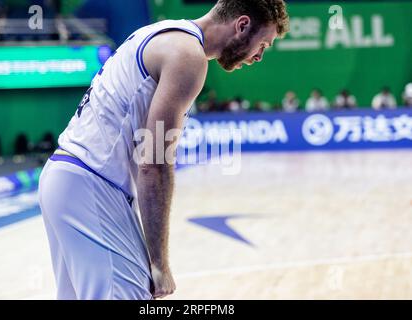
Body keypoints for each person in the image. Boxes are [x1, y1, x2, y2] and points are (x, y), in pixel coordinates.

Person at [38, 0, 289, 300]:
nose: (260, 56)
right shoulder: (188, 56)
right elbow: (154, 163)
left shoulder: (161, 33)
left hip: (65, 177)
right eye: (263, 44)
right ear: (242, 25)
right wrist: (159, 264)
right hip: (92, 184)